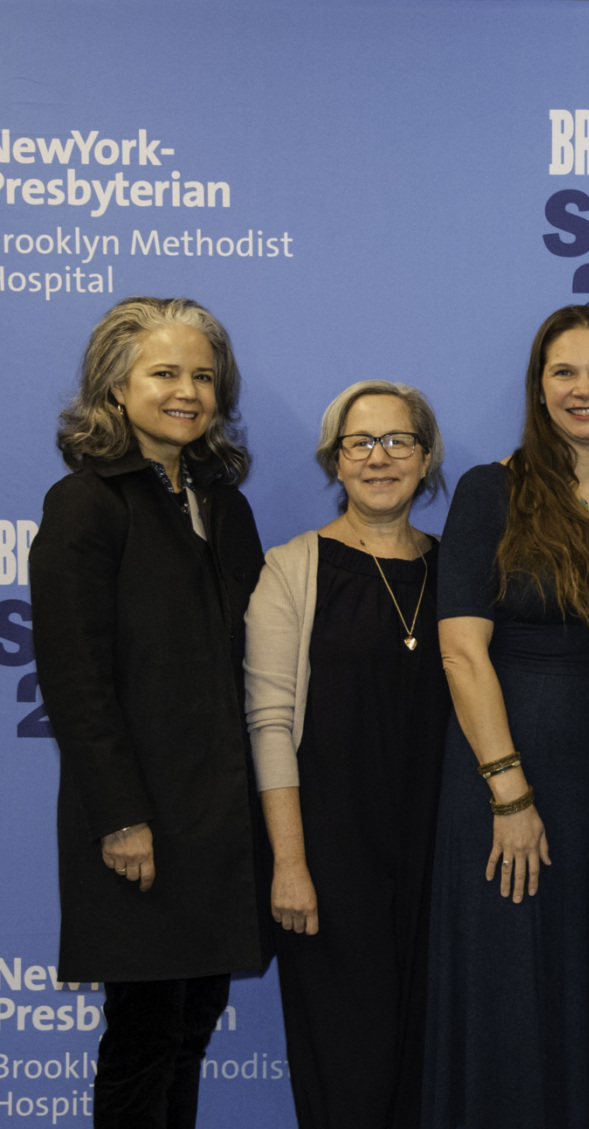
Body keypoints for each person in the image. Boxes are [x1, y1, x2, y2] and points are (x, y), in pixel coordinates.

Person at [32, 297, 265, 1129]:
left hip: (217, 818)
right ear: (115, 387)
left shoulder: (222, 502)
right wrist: (122, 818)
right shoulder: (86, 503)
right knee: (142, 1037)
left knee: (191, 1027)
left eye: (203, 375)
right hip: (141, 823)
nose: (188, 391)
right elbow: (76, 680)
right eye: (164, 373)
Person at [424, 305, 589, 1128]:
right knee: (510, 990)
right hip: (505, 779)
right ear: (539, 388)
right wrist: (509, 793)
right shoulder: (494, 491)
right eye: (564, 371)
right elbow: (460, 653)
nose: (582, 388)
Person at [244, 380, 452, 1129]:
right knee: (349, 1072)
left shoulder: (455, 569)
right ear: (335, 460)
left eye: (398, 440)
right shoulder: (292, 569)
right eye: (359, 443)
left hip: (440, 861)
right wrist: (290, 864)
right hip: (331, 861)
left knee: (428, 1073)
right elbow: (269, 723)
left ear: (425, 458)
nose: (379, 458)